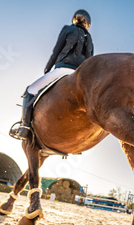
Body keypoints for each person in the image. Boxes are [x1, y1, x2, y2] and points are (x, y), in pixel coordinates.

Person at [11, 9, 94, 140]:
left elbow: (56, 51)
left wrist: (47, 69)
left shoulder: (68, 29)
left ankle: (25, 127)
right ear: (87, 24)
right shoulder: (89, 38)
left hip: (62, 70)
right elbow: (90, 60)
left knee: (30, 90)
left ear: (74, 19)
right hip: (79, 75)